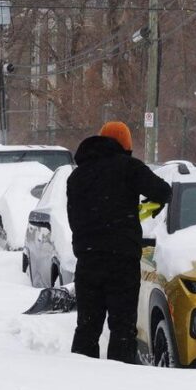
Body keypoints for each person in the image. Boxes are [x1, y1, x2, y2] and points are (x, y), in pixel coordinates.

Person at [66, 121, 172, 363]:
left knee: (87, 327)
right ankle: (119, 381)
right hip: (121, 261)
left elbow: (75, 217)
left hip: (88, 260)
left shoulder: (77, 176)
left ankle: (80, 378)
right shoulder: (128, 168)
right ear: (126, 145)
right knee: (122, 328)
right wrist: (144, 207)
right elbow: (163, 191)